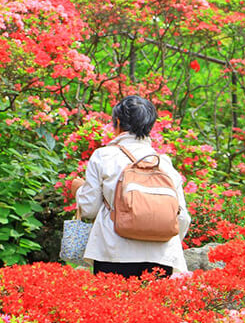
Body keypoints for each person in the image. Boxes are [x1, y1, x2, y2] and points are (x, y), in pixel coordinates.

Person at [70, 95, 191, 278]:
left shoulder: (104, 156)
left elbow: (89, 209)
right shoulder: (165, 164)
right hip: (161, 259)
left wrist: (78, 190)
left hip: (112, 254)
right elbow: (182, 219)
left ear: (117, 122)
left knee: (112, 305)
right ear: (150, 127)